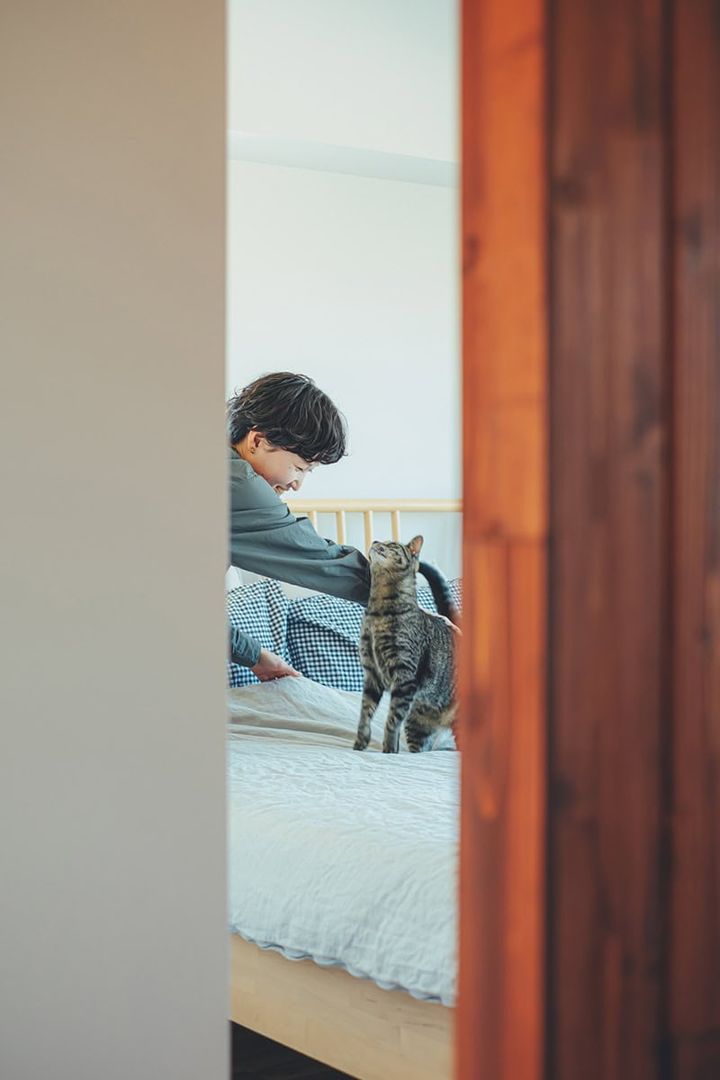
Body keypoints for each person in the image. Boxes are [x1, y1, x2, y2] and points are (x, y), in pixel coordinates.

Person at [227, 372, 371, 681]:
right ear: (256, 441)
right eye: (299, 468)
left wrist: (256, 657)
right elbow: (328, 564)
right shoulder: (240, 486)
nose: (297, 484)